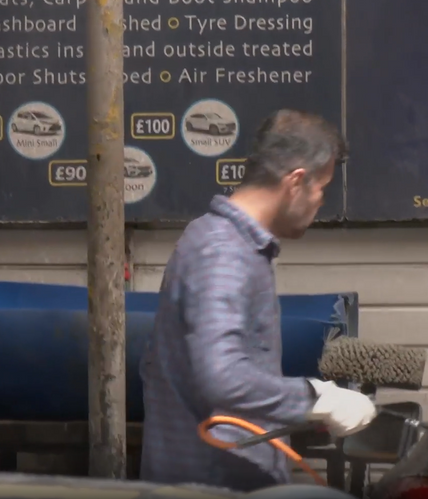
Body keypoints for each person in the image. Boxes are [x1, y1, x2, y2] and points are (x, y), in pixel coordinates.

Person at [139, 110, 377, 491]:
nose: (320, 203)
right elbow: (222, 376)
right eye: (322, 189)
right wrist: (318, 398)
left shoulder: (227, 243)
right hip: (213, 484)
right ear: (296, 182)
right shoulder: (224, 254)